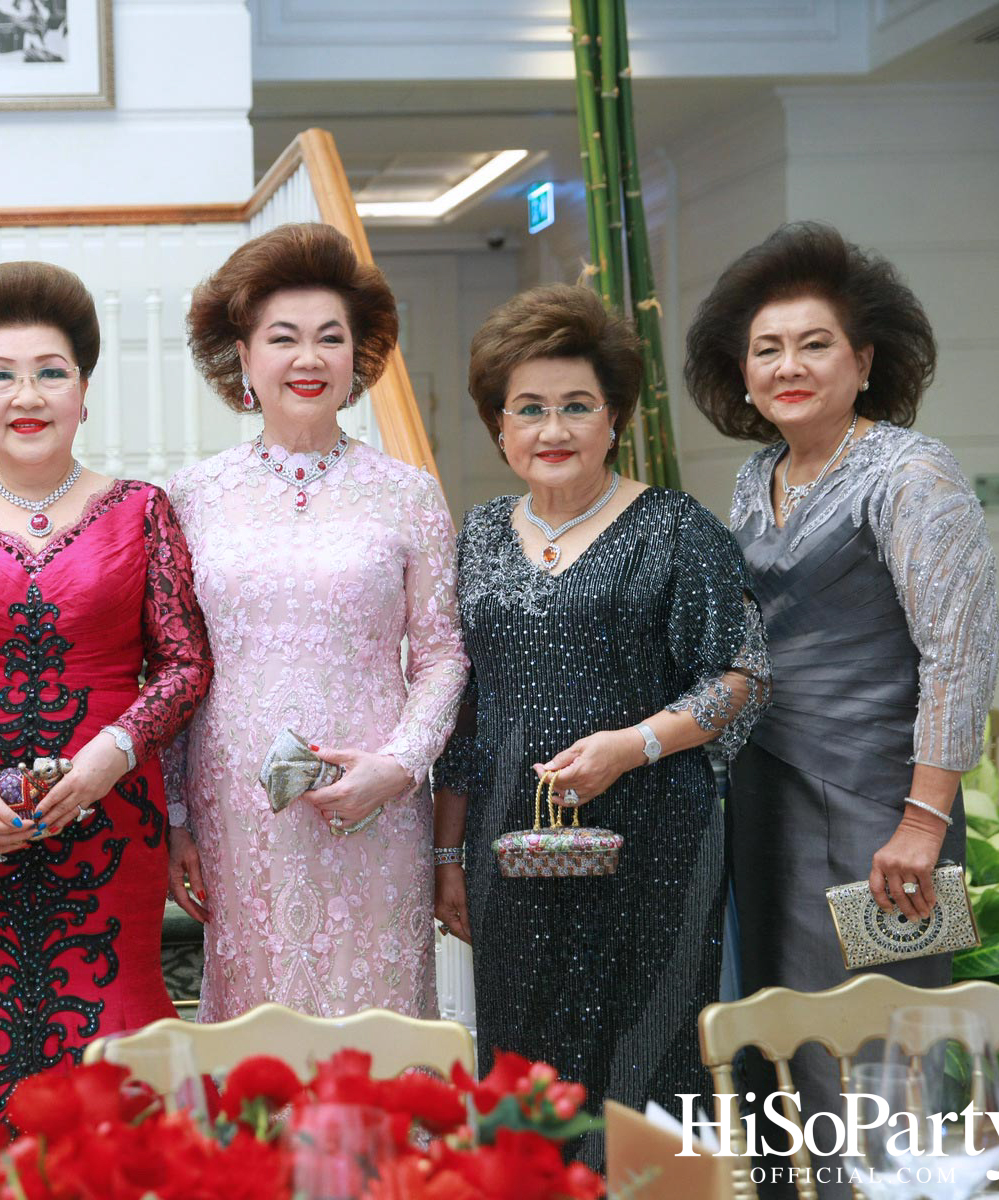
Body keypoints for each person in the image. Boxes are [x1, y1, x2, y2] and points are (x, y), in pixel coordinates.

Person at [685, 222, 999, 1197]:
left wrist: (924, 819)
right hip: (768, 810)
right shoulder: (755, 476)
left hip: (884, 820)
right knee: (781, 1050)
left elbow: (961, 652)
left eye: (814, 344)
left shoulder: (914, 473)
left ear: (864, 362)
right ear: (740, 375)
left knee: (888, 1061)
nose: (789, 366)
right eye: (767, 349)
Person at [432, 284, 770, 1166]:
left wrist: (633, 745)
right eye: (530, 408)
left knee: (648, 1059)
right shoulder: (473, 539)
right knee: (520, 1063)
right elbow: (465, 711)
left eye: (577, 405)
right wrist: (445, 854)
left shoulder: (674, 528)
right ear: (498, 426)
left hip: (656, 840)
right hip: (511, 849)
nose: (554, 428)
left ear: (614, 416)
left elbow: (740, 676)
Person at [0, 261, 211, 1128]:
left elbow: (184, 663)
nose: (27, 394)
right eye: (1, 374)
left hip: (113, 810)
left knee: (114, 997)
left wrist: (113, 756)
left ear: (85, 390)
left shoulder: (143, 508)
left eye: (50, 371)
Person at [163, 222, 467, 1019]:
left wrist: (398, 767)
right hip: (237, 808)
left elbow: (442, 657)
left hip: (373, 803)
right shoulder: (191, 497)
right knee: (256, 1026)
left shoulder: (409, 493)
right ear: (244, 356)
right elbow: (173, 663)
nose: (308, 359)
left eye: (330, 338)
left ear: (357, 356)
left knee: (377, 1017)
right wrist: (176, 817)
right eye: (284, 338)